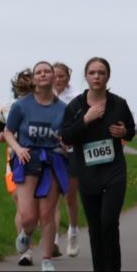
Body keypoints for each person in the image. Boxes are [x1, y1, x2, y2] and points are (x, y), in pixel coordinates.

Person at [60, 58, 135, 272]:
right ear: (86, 76)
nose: (96, 76)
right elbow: (66, 137)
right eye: (92, 72)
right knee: (95, 227)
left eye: (101, 72)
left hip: (114, 171)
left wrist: (124, 132)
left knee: (109, 222)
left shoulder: (119, 104)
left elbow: (131, 131)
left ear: (107, 76)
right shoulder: (75, 106)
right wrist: (86, 119)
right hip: (88, 172)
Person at [3, 61, 69, 272]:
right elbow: (8, 132)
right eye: (38, 72)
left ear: (54, 77)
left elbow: (67, 136)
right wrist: (17, 148)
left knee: (47, 214)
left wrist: (66, 144)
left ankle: (47, 259)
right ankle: (26, 233)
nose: (43, 75)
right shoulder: (21, 105)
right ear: (33, 79)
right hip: (27, 159)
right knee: (28, 216)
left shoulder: (63, 109)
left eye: (47, 71)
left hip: (52, 160)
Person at [0, 68, 35, 266]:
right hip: (14, 161)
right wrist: (7, 135)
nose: (24, 92)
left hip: (38, 160)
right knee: (20, 203)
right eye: (21, 88)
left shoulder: (43, 106)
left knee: (33, 207)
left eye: (28, 88)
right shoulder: (6, 108)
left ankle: (29, 237)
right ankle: (25, 251)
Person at [53, 62, 80, 257]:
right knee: (53, 197)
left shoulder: (76, 97)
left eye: (61, 76)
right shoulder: (44, 95)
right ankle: (53, 240)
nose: (57, 79)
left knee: (70, 197)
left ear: (68, 78)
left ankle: (73, 232)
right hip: (53, 151)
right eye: (54, 76)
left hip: (71, 151)